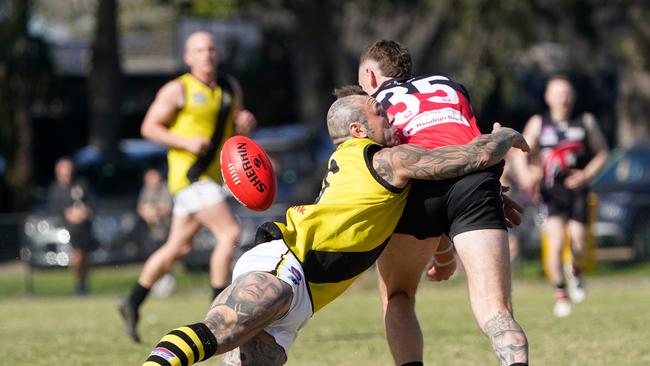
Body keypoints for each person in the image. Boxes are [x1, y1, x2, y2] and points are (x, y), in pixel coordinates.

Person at [140, 94, 529, 366]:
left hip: (306, 297)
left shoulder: (367, 161)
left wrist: (454, 237)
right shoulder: (384, 159)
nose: (391, 118)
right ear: (359, 129)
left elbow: (440, 200)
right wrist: (503, 136)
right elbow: (467, 156)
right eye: (381, 112)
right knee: (222, 329)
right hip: (286, 261)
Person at [357, 40, 529, 366]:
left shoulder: (368, 106)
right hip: (474, 183)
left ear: (369, 75)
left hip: (414, 186)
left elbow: (376, 165)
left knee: (399, 296)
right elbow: (466, 145)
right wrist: (490, 193)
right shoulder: (451, 85)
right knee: (495, 309)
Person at [118, 31, 257, 343]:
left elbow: (236, 128)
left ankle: (132, 301)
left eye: (211, 48)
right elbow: (148, 127)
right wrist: (184, 141)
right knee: (230, 233)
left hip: (212, 177)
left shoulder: (230, 87)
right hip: (190, 177)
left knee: (177, 247)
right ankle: (218, 316)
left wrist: (244, 124)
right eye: (199, 50)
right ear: (188, 57)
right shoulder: (177, 89)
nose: (207, 54)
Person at [511, 75, 609, 317]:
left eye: (566, 94)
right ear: (548, 97)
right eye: (557, 94)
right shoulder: (538, 123)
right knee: (554, 246)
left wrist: (586, 174)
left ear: (572, 97)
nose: (562, 99)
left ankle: (575, 270)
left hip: (577, 192)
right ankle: (561, 293)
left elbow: (603, 153)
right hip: (550, 194)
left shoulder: (584, 121)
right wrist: (526, 178)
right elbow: (518, 152)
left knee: (577, 244)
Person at [47, 157, 94, 295]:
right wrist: (68, 214)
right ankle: (78, 285)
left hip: (82, 229)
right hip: (64, 231)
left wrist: (85, 212)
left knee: (83, 256)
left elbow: (91, 203)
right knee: (77, 256)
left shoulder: (81, 185)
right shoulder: (54, 189)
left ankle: (82, 285)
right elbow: (54, 210)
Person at [136, 168, 173, 257]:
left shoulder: (165, 188)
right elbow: (140, 207)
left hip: (165, 225)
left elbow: (168, 206)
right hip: (150, 228)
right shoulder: (146, 190)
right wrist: (147, 214)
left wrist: (154, 210)